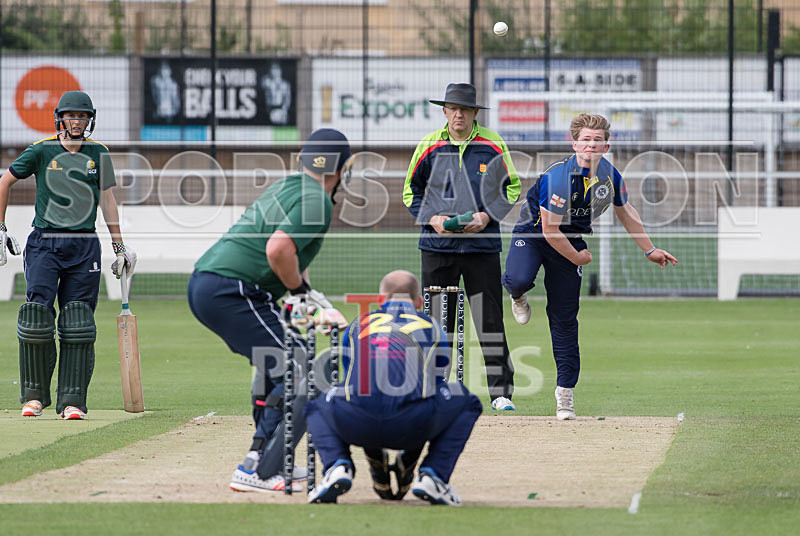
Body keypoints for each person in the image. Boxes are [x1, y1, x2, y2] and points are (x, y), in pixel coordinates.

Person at [187, 128, 350, 493]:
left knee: (276, 364)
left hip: (212, 284)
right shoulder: (317, 200)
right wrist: (298, 290)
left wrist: (307, 295)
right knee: (298, 371)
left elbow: (290, 252)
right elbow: (278, 250)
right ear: (342, 170)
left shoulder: (288, 186)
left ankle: (272, 461)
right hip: (234, 289)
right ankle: (259, 467)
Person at [502, 113, 678, 420]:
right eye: (585, 140)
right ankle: (518, 296)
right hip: (535, 235)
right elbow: (549, 231)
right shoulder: (558, 177)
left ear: (606, 146)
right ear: (574, 144)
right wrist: (578, 257)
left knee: (565, 319)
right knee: (517, 280)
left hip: (569, 239)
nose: (591, 146)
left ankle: (565, 395)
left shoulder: (610, 177)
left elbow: (627, 212)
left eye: (597, 141)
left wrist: (648, 249)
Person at [0, 90, 136, 420]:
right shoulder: (41, 150)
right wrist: (0, 228)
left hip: (84, 246)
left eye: (83, 116)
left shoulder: (98, 153)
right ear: (60, 118)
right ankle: (34, 397)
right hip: (44, 243)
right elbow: (4, 182)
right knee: (37, 319)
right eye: (71, 116)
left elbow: (108, 200)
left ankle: (72, 401)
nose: (77, 122)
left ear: (90, 119)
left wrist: (120, 246)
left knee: (77, 322)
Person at [304, 270, 482, 506]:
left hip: (356, 423)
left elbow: (350, 384)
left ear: (380, 301)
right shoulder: (432, 325)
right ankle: (434, 475)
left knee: (315, 406)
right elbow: (436, 384)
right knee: (468, 401)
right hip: (414, 425)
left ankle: (337, 466)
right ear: (419, 303)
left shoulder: (358, 324)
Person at [403, 82, 521, 411]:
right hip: (437, 247)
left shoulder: (492, 144)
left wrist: (487, 215)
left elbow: (511, 189)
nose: (458, 114)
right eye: (453, 108)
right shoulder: (428, 145)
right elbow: (410, 192)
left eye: (465, 109)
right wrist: (434, 219)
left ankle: (500, 394)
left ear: (474, 113)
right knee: (439, 320)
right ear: (444, 111)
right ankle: (435, 387)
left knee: (489, 319)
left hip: (482, 248)